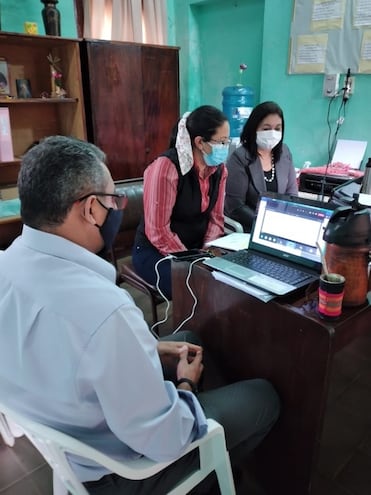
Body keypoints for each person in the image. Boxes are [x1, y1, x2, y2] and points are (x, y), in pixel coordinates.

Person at [0, 136, 280, 494]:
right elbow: (166, 438)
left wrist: (149, 348)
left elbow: (64, 349)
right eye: (111, 200)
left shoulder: (6, 266)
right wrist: (186, 385)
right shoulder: (104, 310)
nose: (116, 208)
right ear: (89, 210)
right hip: (123, 471)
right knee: (264, 397)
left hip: (63, 429)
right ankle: (206, 477)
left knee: (189, 341)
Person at [132, 105, 230, 299]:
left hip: (198, 248)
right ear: (200, 142)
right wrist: (192, 259)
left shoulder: (219, 170)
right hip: (155, 252)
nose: (226, 148)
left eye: (228, 141)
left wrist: (207, 251)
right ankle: (190, 328)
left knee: (230, 283)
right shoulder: (166, 168)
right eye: (221, 142)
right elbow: (158, 232)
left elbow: (216, 219)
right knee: (197, 290)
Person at [225, 101, 298, 232]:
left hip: (281, 227)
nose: (272, 133)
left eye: (277, 128)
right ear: (254, 129)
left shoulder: (284, 153)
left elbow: (292, 194)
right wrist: (266, 223)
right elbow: (235, 206)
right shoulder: (240, 157)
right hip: (250, 228)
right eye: (266, 128)